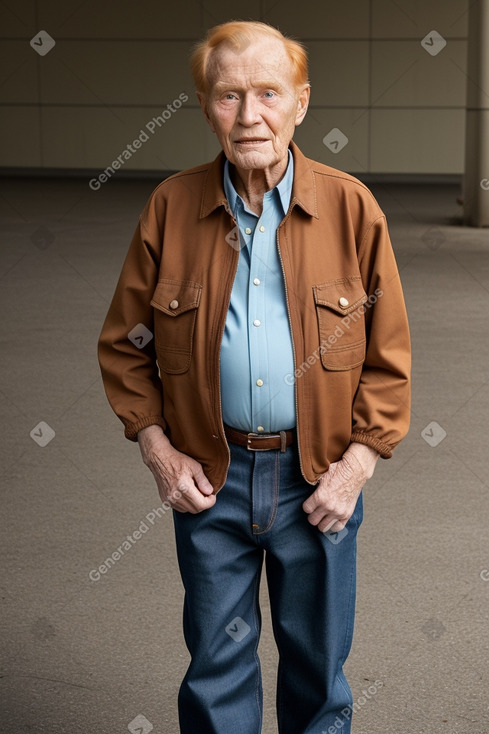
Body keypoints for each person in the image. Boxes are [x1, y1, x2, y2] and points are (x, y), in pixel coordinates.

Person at [98, 20, 411, 734]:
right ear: (206, 107)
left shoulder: (350, 206)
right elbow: (125, 345)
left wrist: (356, 466)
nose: (249, 116)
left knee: (318, 669)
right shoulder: (171, 206)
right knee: (214, 669)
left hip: (318, 476)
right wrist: (158, 452)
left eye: (267, 93)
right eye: (228, 96)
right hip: (210, 477)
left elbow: (389, 355)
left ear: (300, 102)